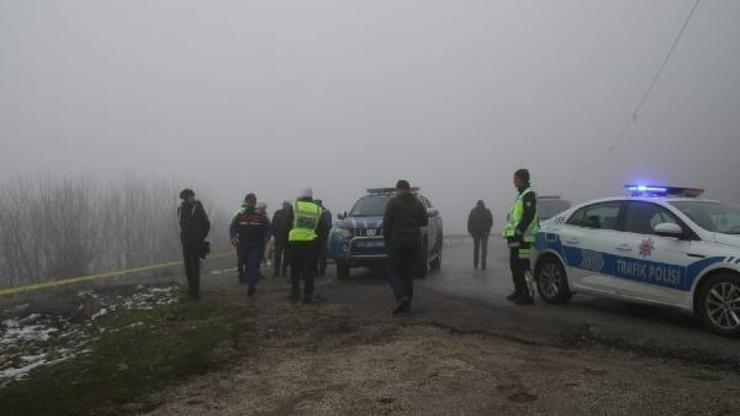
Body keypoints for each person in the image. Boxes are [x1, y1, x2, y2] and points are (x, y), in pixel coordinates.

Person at [383, 180, 428, 314]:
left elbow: (387, 223)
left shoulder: (393, 202)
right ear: (409, 189)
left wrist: (387, 239)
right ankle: (407, 306)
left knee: (393, 272)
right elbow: (424, 221)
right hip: (414, 242)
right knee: (408, 274)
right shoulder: (417, 202)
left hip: (397, 242)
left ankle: (401, 296)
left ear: (397, 189)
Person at [288, 188, 330, 304]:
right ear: (311, 196)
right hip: (310, 244)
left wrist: (287, 241)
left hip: (295, 242)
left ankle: (295, 292)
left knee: (295, 269)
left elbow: (286, 224)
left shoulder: (294, 206)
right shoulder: (318, 209)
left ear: (301, 195)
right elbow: (324, 230)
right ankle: (307, 294)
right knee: (309, 271)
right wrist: (318, 243)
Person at [503, 169, 539, 305]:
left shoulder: (528, 194)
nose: (514, 181)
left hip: (523, 239)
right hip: (515, 239)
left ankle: (528, 294)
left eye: (515, 179)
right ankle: (518, 291)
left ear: (522, 179)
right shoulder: (521, 194)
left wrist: (518, 231)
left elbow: (528, 216)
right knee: (514, 266)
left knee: (524, 267)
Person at [229, 193, 270, 297]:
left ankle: (251, 285)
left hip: (256, 244)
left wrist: (266, 237)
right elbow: (233, 227)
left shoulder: (260, 216)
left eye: (253, 201)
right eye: (249, 201)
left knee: (253, 264)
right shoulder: (240, 215)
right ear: (246, 202)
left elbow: (268, 228)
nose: (251, 203)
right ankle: (248, 281)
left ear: (255, 202)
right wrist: (233, 237)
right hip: (242, 244)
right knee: (246, 264)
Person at [177, 189, 211, 299]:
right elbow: (181, 225)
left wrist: (199, 237)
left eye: (193, 196)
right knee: (188, 266)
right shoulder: (180, 210)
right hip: (186, 242)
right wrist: (183, 238)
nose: (192, 198)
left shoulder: (198, 208)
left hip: (196, 242)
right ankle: (191, 288)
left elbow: (206, 224)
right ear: (185, 199)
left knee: (194, 266)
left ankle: (195, 291)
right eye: (190, 197)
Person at [467, 200, 493, 270]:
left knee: (477, 249)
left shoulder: (473, 211)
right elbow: (491, 222)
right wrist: (488, 230)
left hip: (477, 233)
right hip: (483, 233)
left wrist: (470, 231)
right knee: (483, 249)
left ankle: (476, 263)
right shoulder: (487, 211)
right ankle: (482, 264)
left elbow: (469, 222)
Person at [271, 201, 293, 277]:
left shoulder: (291, 214)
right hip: (279, 238)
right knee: (277, 256)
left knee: (287, 256)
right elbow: (273, 224)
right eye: (284, 204)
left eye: (287, 204)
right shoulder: (277, 213)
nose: (285, 206)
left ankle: (284, 271)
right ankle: (276, 272)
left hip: (288, 239)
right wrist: (275, 235)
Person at [314, 199, 332, 277]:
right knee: (322, 255)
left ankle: (318, 272)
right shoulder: (326, 212)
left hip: (317, 236)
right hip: (322, 236)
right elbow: (329, 225)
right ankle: (321, 272)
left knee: (317, 255)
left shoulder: (320, 211)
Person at [233, 200, 249, 283]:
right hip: (242, 239)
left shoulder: (238, 213)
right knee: (243, 258)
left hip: (243, 239)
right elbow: (234, 226)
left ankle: (242, 275)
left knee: (242, 259)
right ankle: (242, 275)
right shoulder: (239, 214)